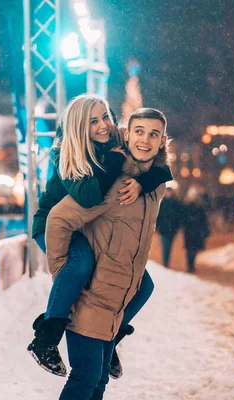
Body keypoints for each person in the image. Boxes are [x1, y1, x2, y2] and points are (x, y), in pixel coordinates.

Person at [28, 97, 172, 380]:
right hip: (53, 223)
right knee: (81, 264)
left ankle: (112, 333)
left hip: (83, 223)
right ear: (81, 126)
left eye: (105, 116)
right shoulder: (67, 153)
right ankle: (47, 336)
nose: (104, 125)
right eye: (94, 121)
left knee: (144, 285)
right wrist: (116, 161)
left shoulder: (115, 136)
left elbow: (160, 163)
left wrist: (144, 182)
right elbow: (89, 195)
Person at [181, 186, 211, 273]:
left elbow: (203, 219)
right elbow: (184, 218)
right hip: (190, 231)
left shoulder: (200, 206)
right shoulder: (186, 206)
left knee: (194, 249)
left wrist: (204, 229)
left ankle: (191, 264)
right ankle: (190, 265)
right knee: (190, 249)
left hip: (196, 231)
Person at [155, 187, 182, 268]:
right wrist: (158, 227)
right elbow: (158, 216)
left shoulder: (175, 203)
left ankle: (166, 262)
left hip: (172, 230)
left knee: (169, 246)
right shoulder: (162, 203)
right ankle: (165, 263)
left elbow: (178, 217)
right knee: (165, 246)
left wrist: (177, 227)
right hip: (163, 230)